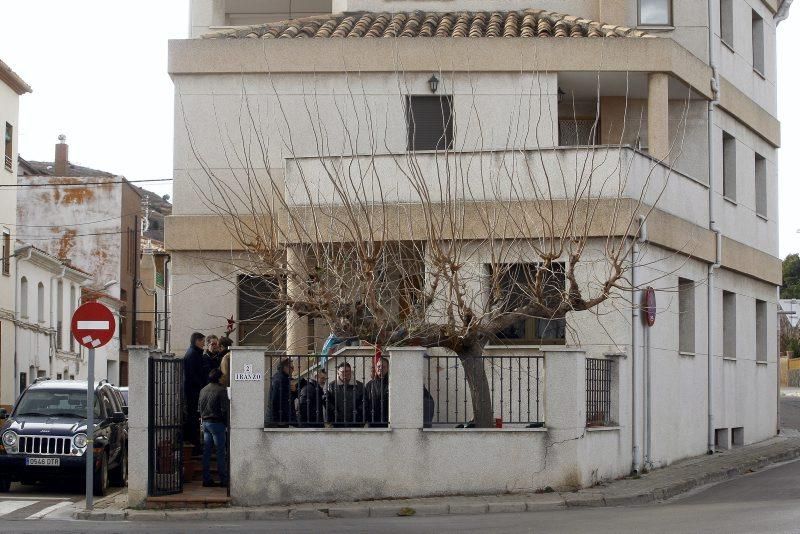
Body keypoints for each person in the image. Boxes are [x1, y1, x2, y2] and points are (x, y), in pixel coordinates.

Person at [197, 368, 229, 487]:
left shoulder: (203, 390)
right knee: (221, 452)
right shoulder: (222, 391)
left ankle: (206, 479)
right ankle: (223, 480)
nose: (224, 378)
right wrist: (226, 424)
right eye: (222, 376)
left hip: (205, 423)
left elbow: (199, 408)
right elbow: (224, 409)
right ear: (219, 378)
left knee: (207, 452)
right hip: (217, 423)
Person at [183, 332, 206, 453]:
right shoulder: (193, 355)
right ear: (197, 341)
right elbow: (193, 375)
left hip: (193, 391)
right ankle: (194, 446)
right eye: (203, 341)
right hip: (193, 392)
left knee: (193, 418)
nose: (204, 344)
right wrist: (201, 386)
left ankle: (195, 445)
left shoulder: (193, 353)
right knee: (193, 418)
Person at [325, 361, 366, 427]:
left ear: (350, 372)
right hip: (337, 423)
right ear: (338, 372)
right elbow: (328, 403)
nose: (345, 374)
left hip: (355, 422)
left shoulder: (359, 385)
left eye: (347, 371)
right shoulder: (331, 386)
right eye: (343, 372)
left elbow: (364, 401)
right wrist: (335, 414)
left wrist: (358, 414)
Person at [266, 358, 297, 426]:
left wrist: (295, 391)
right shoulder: (280, 380)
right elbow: (276, 401)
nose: (293, 370)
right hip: (277, 421)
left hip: (279, 420)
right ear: (285, 367)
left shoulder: (282, 378)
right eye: (292, 367)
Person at [364, 358, 389, 427]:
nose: (380, 368)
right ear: (375, 368)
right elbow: (365, 403)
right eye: (378, 366)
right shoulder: (369, 385)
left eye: (383, 367)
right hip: (373, 421)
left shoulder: (392, 383)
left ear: (388, 368)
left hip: (389, 422)